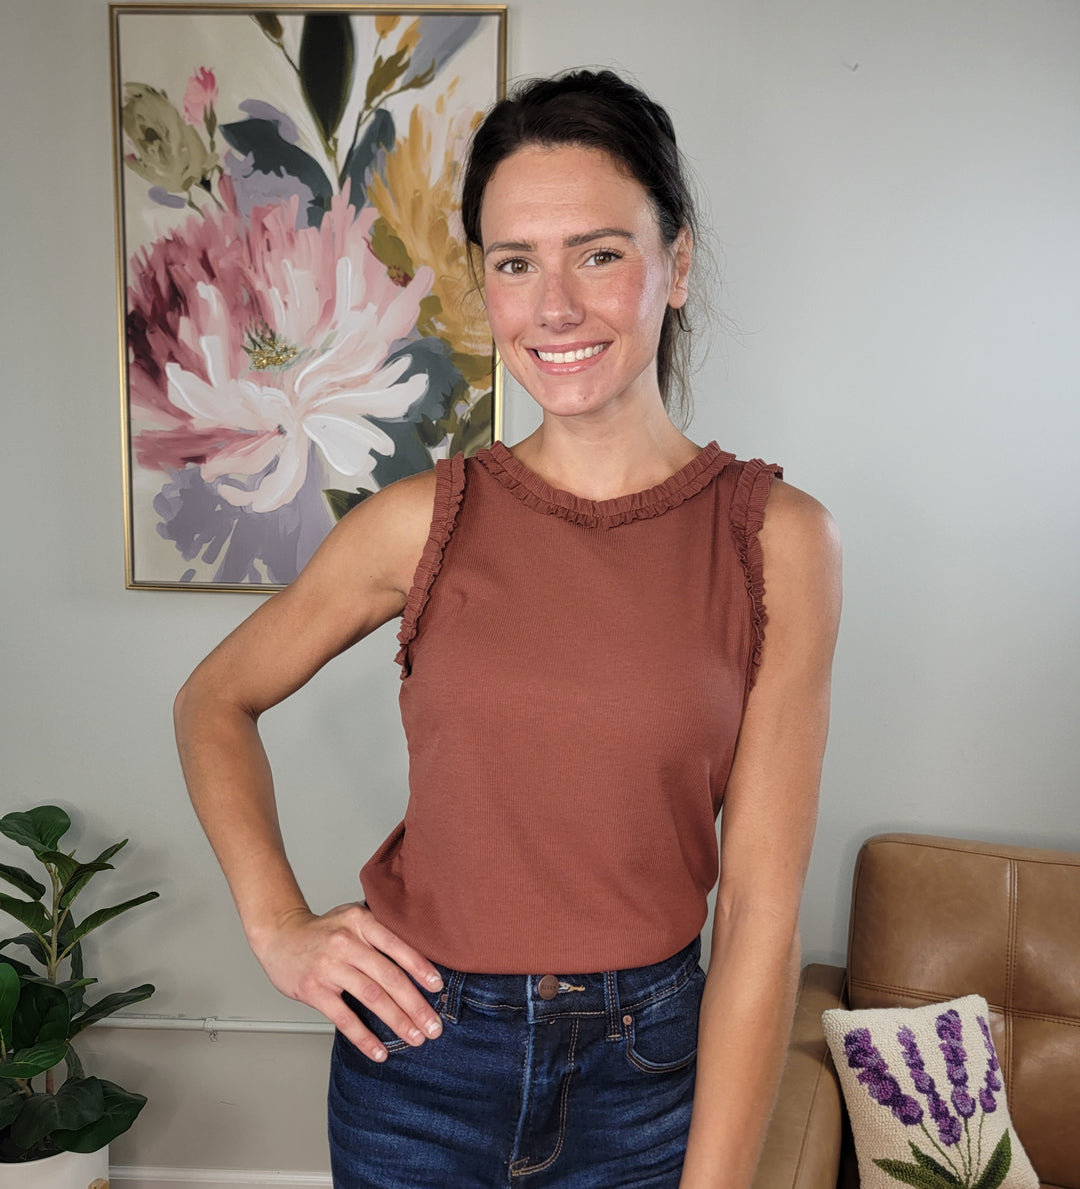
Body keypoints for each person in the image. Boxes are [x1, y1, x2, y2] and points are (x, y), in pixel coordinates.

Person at [174, 68, 842, 1189]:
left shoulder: (778, 539)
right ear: (484, 283)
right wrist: (279, 923)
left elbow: (763, 913)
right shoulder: (419, 522)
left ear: (676, 266)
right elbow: (213, 700)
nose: (556, 306)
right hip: (418, 1062)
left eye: (600, 252)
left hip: (650, 1074)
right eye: (516, 263)